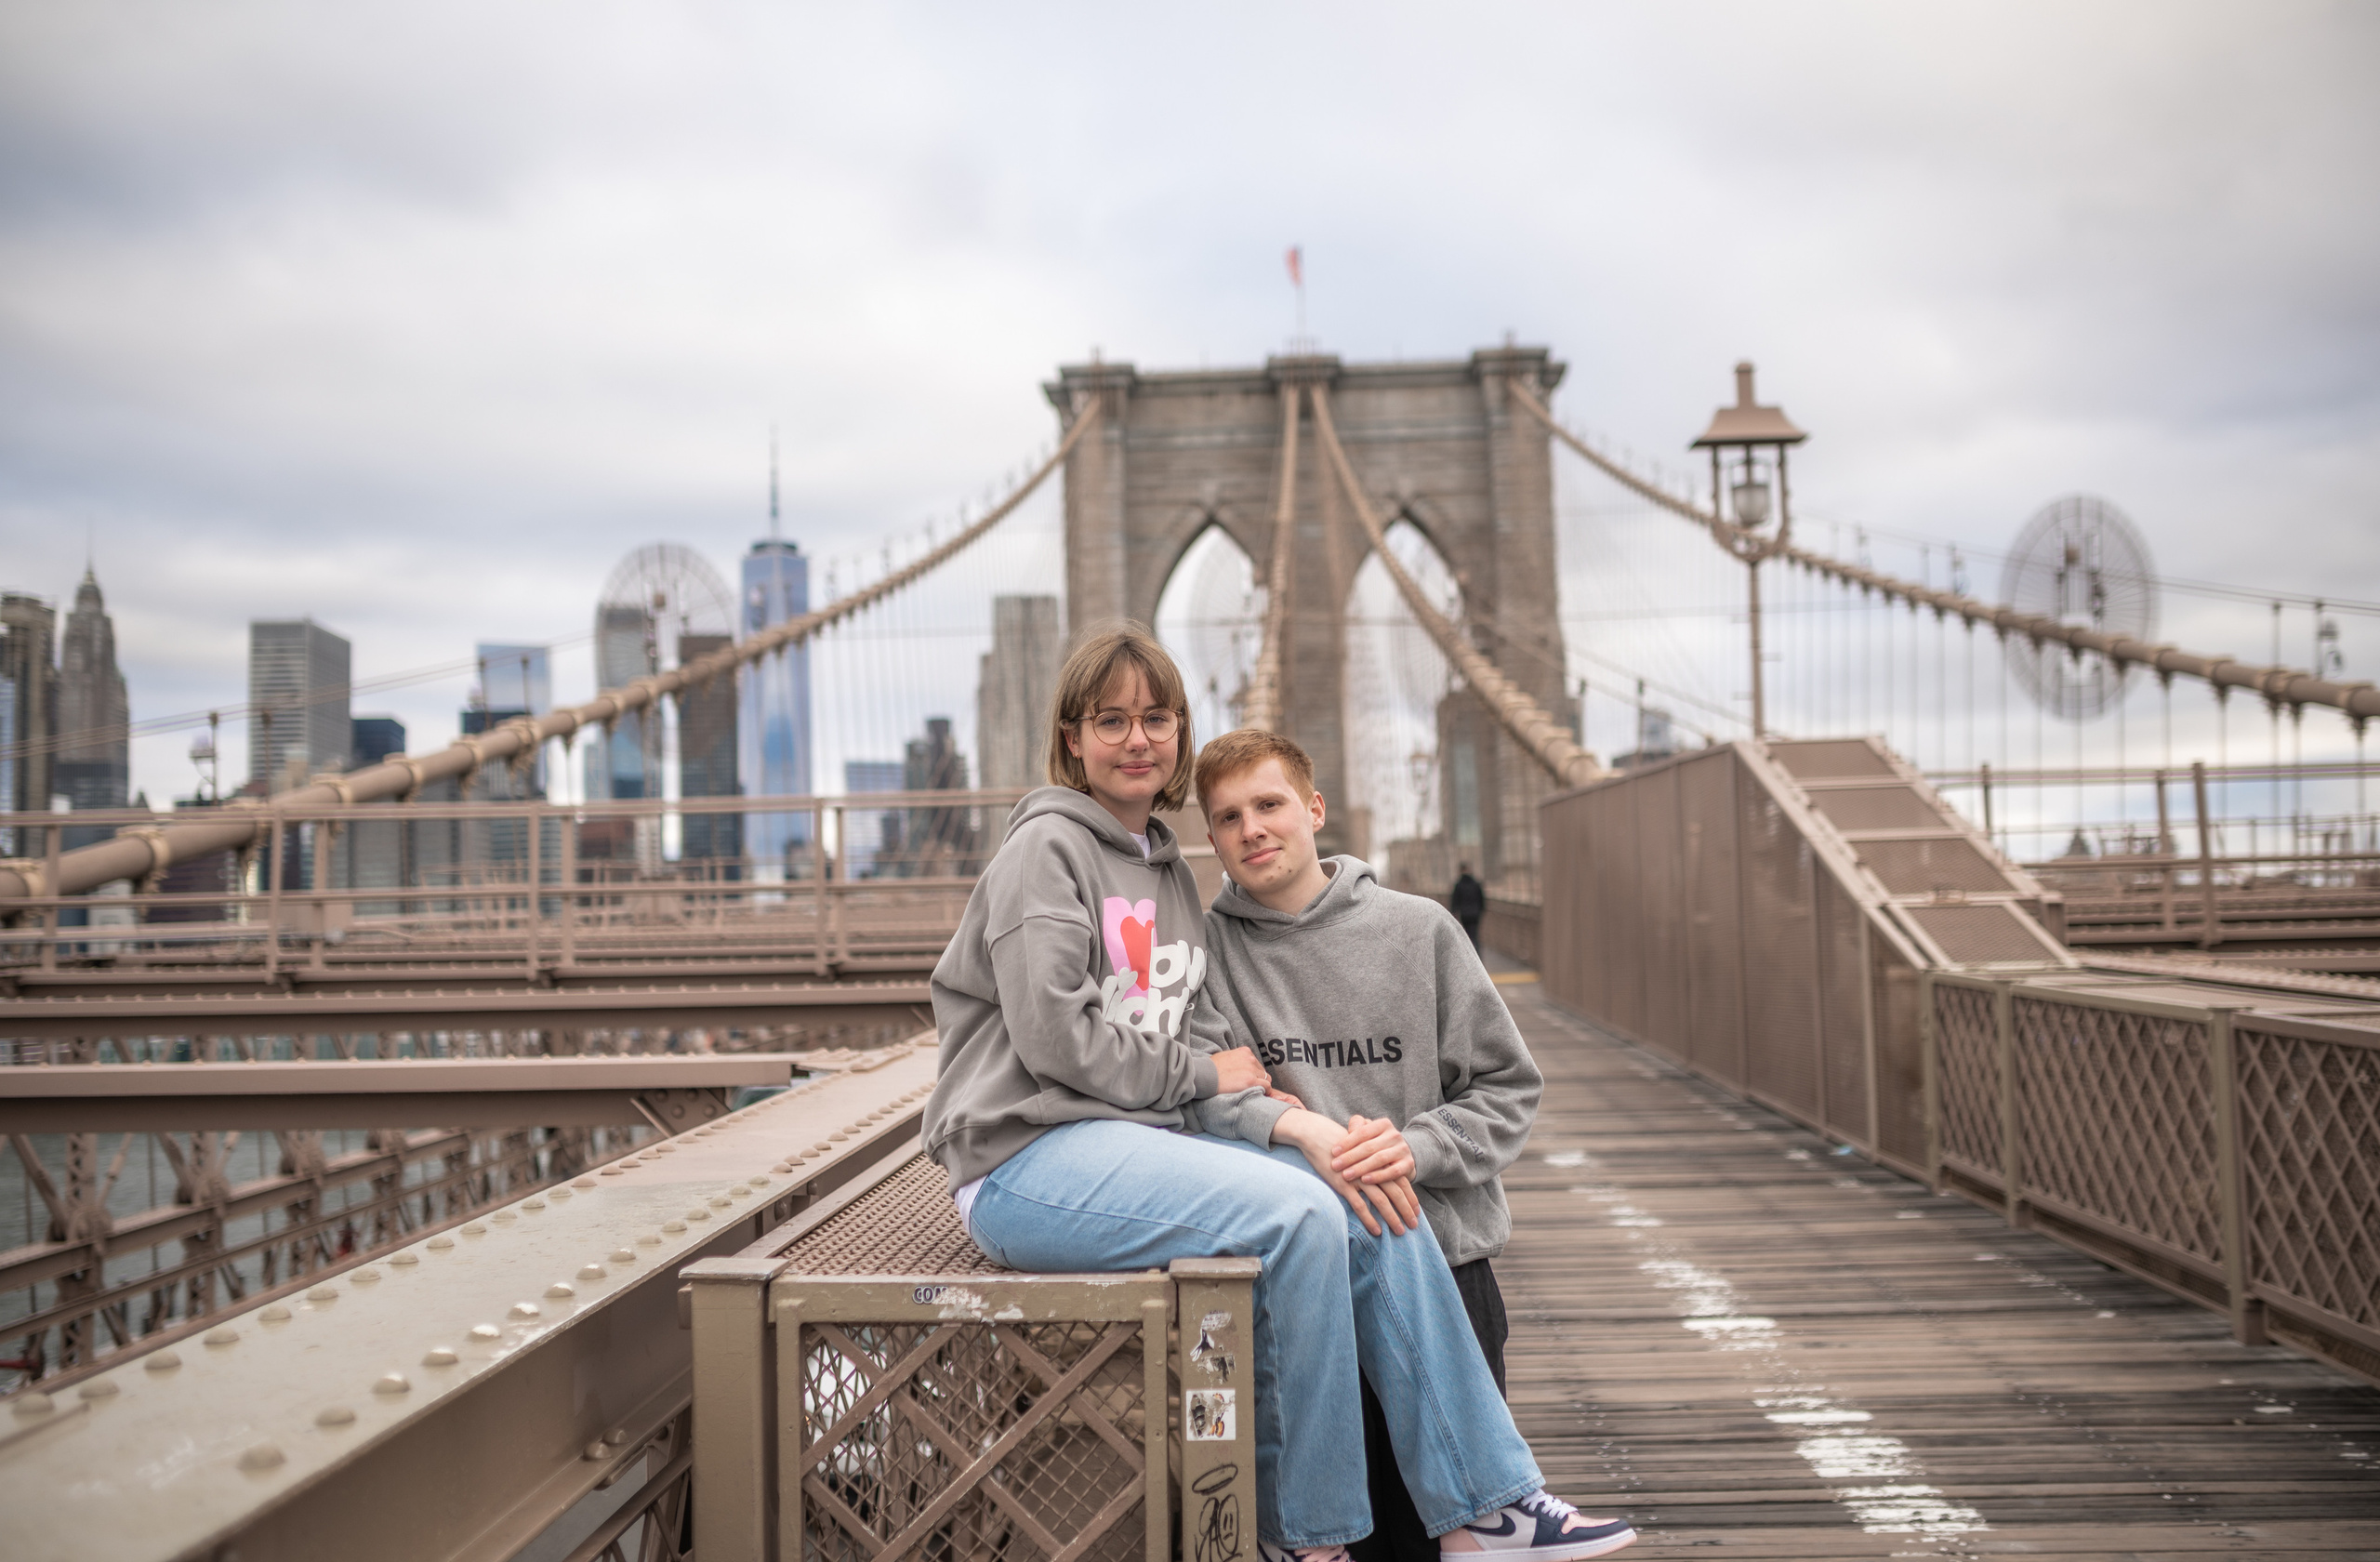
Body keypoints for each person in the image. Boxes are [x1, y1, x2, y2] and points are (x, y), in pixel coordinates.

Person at [923, 625, 1632, 1562]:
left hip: (1129, 1145)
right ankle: (1309, 1540)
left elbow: (1186, 1035)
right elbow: (1061, 1039)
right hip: (1025, 1157)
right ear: (1072, 739)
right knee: (1299, 1215)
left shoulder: (1167, 870)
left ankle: (1484, 1510)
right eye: (1110, 721)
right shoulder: (1044, 852)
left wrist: (1316, 1134)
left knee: (1358, 1190)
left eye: (1157, 719)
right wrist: (1207, 1081)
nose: (1136, 738)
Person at [1195, 730, 1632, 1562]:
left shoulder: (1421, 930)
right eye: (1228, 817)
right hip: (1296, 1303)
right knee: (1338, 1547)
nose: (1252, 829)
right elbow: (1202, 1101)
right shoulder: (1203, 958)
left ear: (1314, 809)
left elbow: (1507, 1088)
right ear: (1210, 837)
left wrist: (1414, 1147)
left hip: (1441, 1275)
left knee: (1455, 1543)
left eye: (1269, 804)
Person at [1449, 864, 1486, 953]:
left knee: (1467, 935)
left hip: (1464, 913)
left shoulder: (1459, 885)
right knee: (1475, 934)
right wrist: (1480, 910)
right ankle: (1477, 952)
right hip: (1475, 913)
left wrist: (1454, 911)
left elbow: (1455, 900)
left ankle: (1470, 953)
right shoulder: (1476, 884)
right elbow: (1481, 899)